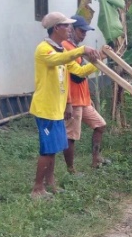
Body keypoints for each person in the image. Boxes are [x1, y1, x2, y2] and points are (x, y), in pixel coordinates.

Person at [29, 12, 101, 199]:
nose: (69, 29)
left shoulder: (61, 50)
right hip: (46, 109)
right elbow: (57, 60)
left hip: (57, 109)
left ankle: (50, 184)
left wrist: (97, 62)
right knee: (48, 149)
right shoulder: (44, 49)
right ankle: (37, 189)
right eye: (66, 26)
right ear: (56, 28)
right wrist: (81, 50)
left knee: (54, 148)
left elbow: (79, 71)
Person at [62, 15, 108, 174]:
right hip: (73, 100)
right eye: (81, 31)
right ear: (71, 30)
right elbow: (77, 75)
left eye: (85, 32)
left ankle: (96, 159)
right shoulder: (66, 47)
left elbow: (82, 78)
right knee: (72, 135)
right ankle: (71, 170)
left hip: (83, 99)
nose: (84, 34)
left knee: (100, 125)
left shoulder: (76, 49)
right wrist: (98, 61)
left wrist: (88, 99)